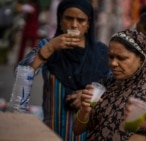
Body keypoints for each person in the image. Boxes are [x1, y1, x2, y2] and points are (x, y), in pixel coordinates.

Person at [17, 0, 110, 140]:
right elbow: (21, 75)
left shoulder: (102, 53)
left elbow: (114, 87)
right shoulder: (47, 46)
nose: (74, 24)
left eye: (81, 20)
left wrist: (91, 97)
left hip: (87, 136)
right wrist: (50, 48)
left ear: (89, 24)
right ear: (60, 20)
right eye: (68, 18)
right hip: (51, 133)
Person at [73, 29, 146, 140]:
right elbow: (77, 130)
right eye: (111, 57)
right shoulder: (106, 84)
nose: (113, 63)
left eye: (121, 58)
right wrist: (84, 111)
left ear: (141, 59)